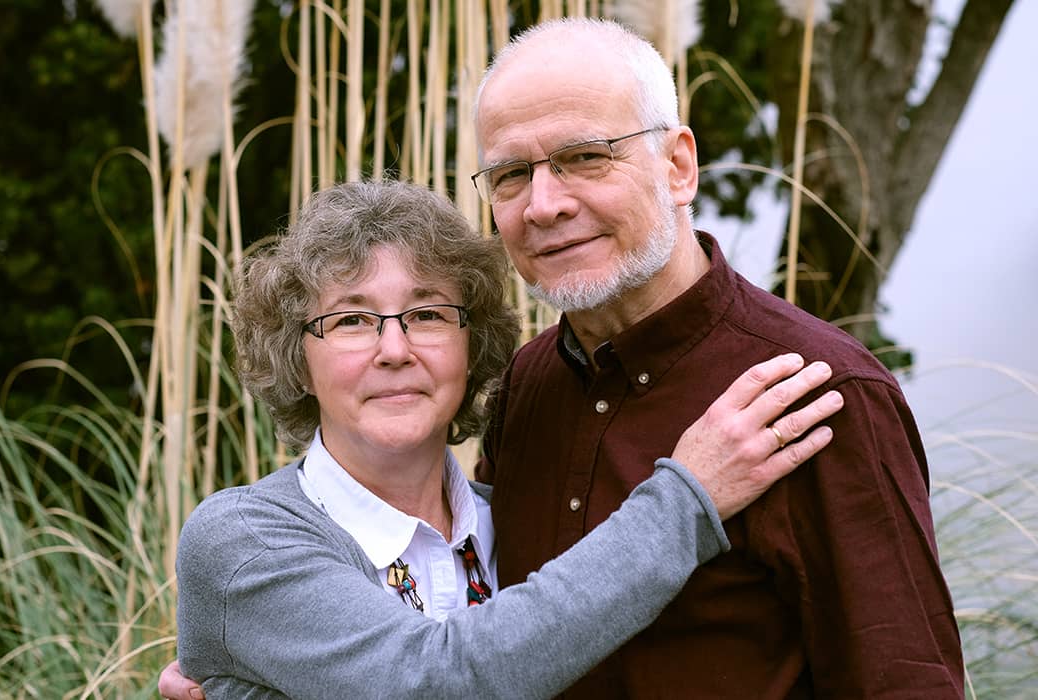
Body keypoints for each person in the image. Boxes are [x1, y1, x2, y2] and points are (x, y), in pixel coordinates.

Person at [165, 179, 843, 698]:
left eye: (428, 314)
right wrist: (686, 502)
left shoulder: (517, 523)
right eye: (350, 322)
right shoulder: (243, 542)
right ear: (297, 358)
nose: (394, 349)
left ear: (473, 345)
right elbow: (436, 683)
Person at [469, 16, 964, 698]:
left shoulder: (819, 392)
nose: (544, 205)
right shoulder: (528, 385)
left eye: (585, 157)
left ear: (677, 166)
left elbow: (903, 684)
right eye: (512, 175)